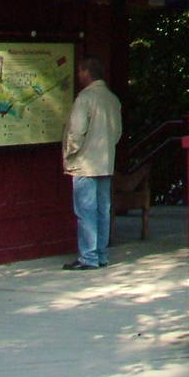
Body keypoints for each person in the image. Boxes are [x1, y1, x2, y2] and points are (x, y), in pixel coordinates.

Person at [62, 55, 123, 270]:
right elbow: (117, 133)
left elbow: (76, 131)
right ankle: (102, 254)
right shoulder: (112, 99)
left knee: (85, 211)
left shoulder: (85, 98)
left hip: (85, 163)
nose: (79, 75)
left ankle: (88, 256)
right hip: (105, 161)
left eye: (80, 71)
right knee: (102, 210)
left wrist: (70, 154)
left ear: (87, 73)